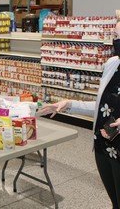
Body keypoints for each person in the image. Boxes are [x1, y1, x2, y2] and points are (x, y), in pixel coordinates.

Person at [40, 22, 120, 208]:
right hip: (103, 146)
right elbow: (102, 106)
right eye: (115, 36)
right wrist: (68, 104)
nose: (116, 41)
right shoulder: (112, 64)